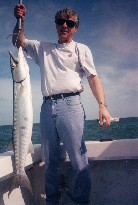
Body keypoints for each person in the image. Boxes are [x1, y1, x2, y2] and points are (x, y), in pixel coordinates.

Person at [13, 4, 111, 205]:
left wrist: (102, 105)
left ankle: (82, 201)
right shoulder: (43, 49)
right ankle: (52, 201)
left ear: (75, 27)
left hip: (71, 106)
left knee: (78, 161)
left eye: (70, 23)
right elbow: (18, 41)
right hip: (47, 108)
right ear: (56, 25)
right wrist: (19, 20)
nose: (64, 25)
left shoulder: (81, 49)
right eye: (60, 22)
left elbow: (93, 78)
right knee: (49, 163)